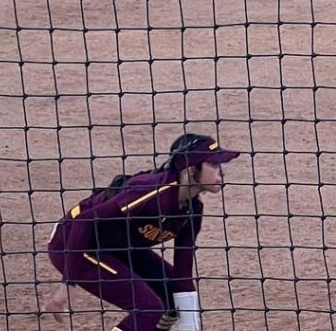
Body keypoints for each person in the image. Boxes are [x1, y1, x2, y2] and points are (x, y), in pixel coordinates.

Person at [46, 133, 240, 331]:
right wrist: (68, 284)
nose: (221, 173)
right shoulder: (150, 192)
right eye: (214, 165)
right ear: (190, 170)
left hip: (121, 247)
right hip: (74, 243)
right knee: (148, 309)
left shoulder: (192, 211)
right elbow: (84, 221)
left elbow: (182, 278)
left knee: (171, 302)